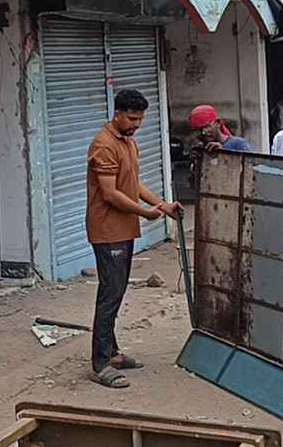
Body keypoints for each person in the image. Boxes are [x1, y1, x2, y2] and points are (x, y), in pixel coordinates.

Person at [85, 89, 181, 388]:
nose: (137, 124)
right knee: (110, 293)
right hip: (107, 229)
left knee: (117, 290)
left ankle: (112, 353)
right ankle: (100, 363)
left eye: (140, 119)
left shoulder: (128, 142)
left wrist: (162, 205)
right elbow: (111, 193)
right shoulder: (104, 145)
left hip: (123, 228)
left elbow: (133, 183)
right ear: (118, 114)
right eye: (132, 118)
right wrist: (145, 213)